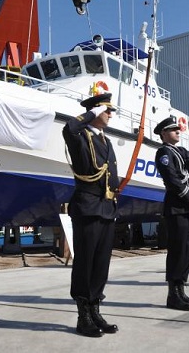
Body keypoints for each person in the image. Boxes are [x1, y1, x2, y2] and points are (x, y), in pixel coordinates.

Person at [62, 92, 119, 338]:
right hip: (87, 207)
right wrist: (89, 114)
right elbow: (68, 129)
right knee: (85, 263)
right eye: (106, 110)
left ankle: (95, 309)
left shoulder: (106, 141)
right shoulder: (81, 137)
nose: (110, 114)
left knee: (101, 265)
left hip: (106, 208)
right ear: (95, 111)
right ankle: (83, 315)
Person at [154, 116, 189, 311]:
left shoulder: (181, 151)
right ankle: (172, 295)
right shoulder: (164, 153)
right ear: (163, 134)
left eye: (178, 129)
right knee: (177, 251)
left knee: (187, 251)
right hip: (177, 207)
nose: (178, 132)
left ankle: (181, 291)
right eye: (172, 130)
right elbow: (172, 179)